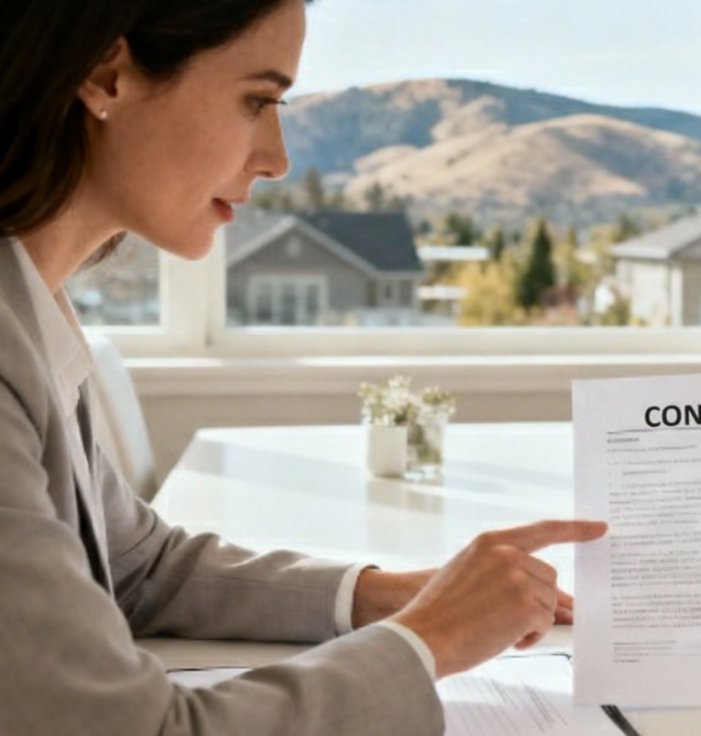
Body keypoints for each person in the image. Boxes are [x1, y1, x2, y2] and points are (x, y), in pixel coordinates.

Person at [0, 2, 605, 734]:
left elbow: (139, 566)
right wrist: (431, 639)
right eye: (257, 100)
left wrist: (386, 596)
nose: (278, 158)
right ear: (108, 78)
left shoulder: (33, 305)